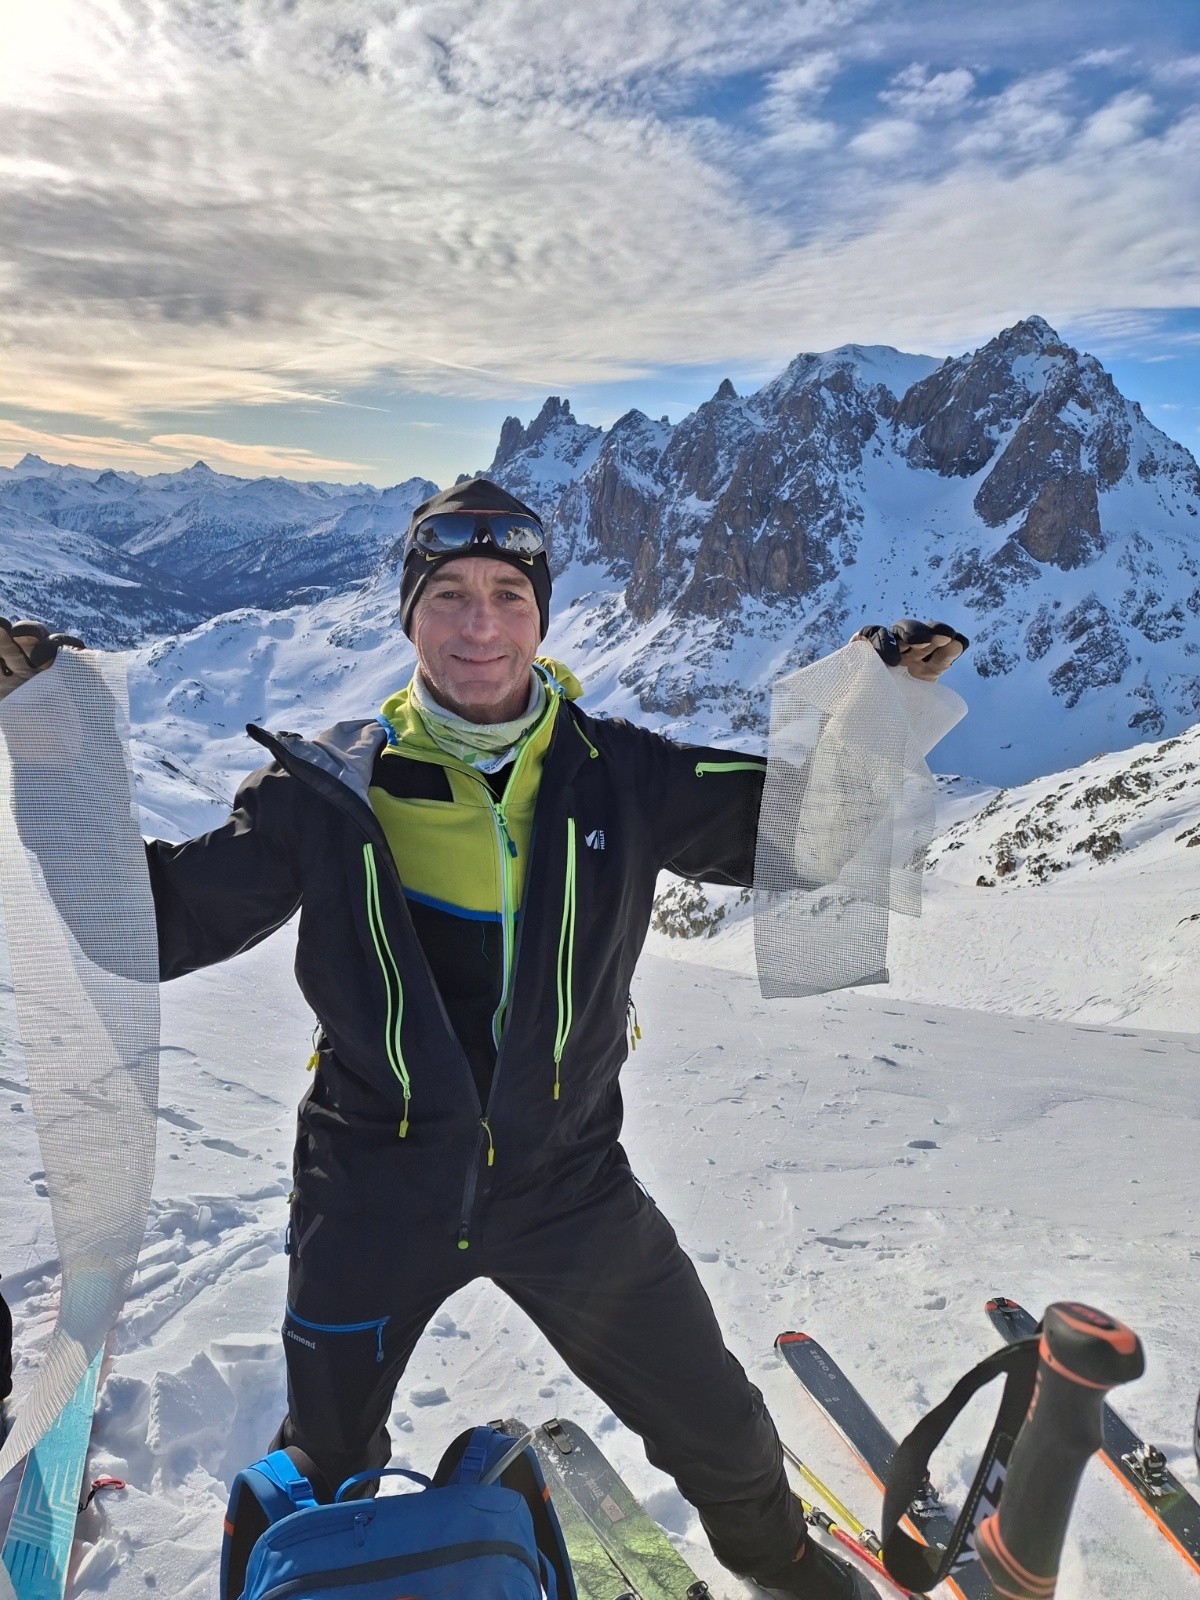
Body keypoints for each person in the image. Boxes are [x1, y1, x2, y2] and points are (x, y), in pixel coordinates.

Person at [0, 482, 966, 1598]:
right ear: (409, 616)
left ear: (542, 615)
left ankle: (791, 1571)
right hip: (371, 1185)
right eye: (449, 594)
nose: (479, 624)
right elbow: (154, 928)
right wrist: (53, 734)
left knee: (723, 1431)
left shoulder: (623, 773)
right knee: (328, 1466)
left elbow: (810, 839)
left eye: (509, 594)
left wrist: (873, 703)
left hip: (568, 1186)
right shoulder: (330, 792)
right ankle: (325, 1571)